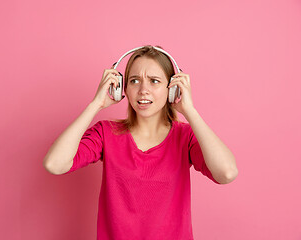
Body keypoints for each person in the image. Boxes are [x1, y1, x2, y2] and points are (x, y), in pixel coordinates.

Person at [43, 45, 238, 239]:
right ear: (122, 87)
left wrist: (190, 111)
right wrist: (96, 104)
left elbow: (227, 173)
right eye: (134, 81)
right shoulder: (105, 133)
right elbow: (55, 164)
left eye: (154, 81)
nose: (143, 90)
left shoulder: (185, 137)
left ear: (172, 88)